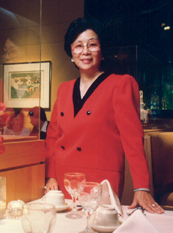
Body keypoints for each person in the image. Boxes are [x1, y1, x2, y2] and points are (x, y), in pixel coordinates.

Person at [45, 17, 164, 214]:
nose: (85, 51)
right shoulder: (64, 89)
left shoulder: (121, 84)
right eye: (78, 46)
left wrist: (141, 186)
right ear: (71, 53)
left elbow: (133, 139)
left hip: (100, 182)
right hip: (64, 179)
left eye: (92, 44)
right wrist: (50, 176)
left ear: (101, 51)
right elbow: (53, 137)